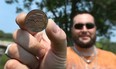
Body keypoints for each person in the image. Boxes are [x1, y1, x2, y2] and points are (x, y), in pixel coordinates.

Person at [4, 11, 116, 69]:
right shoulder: (54, 55)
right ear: (71, 29)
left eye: (89, 25)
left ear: (95, 29)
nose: (84, 29)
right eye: (78, 26)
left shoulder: (112, 58)